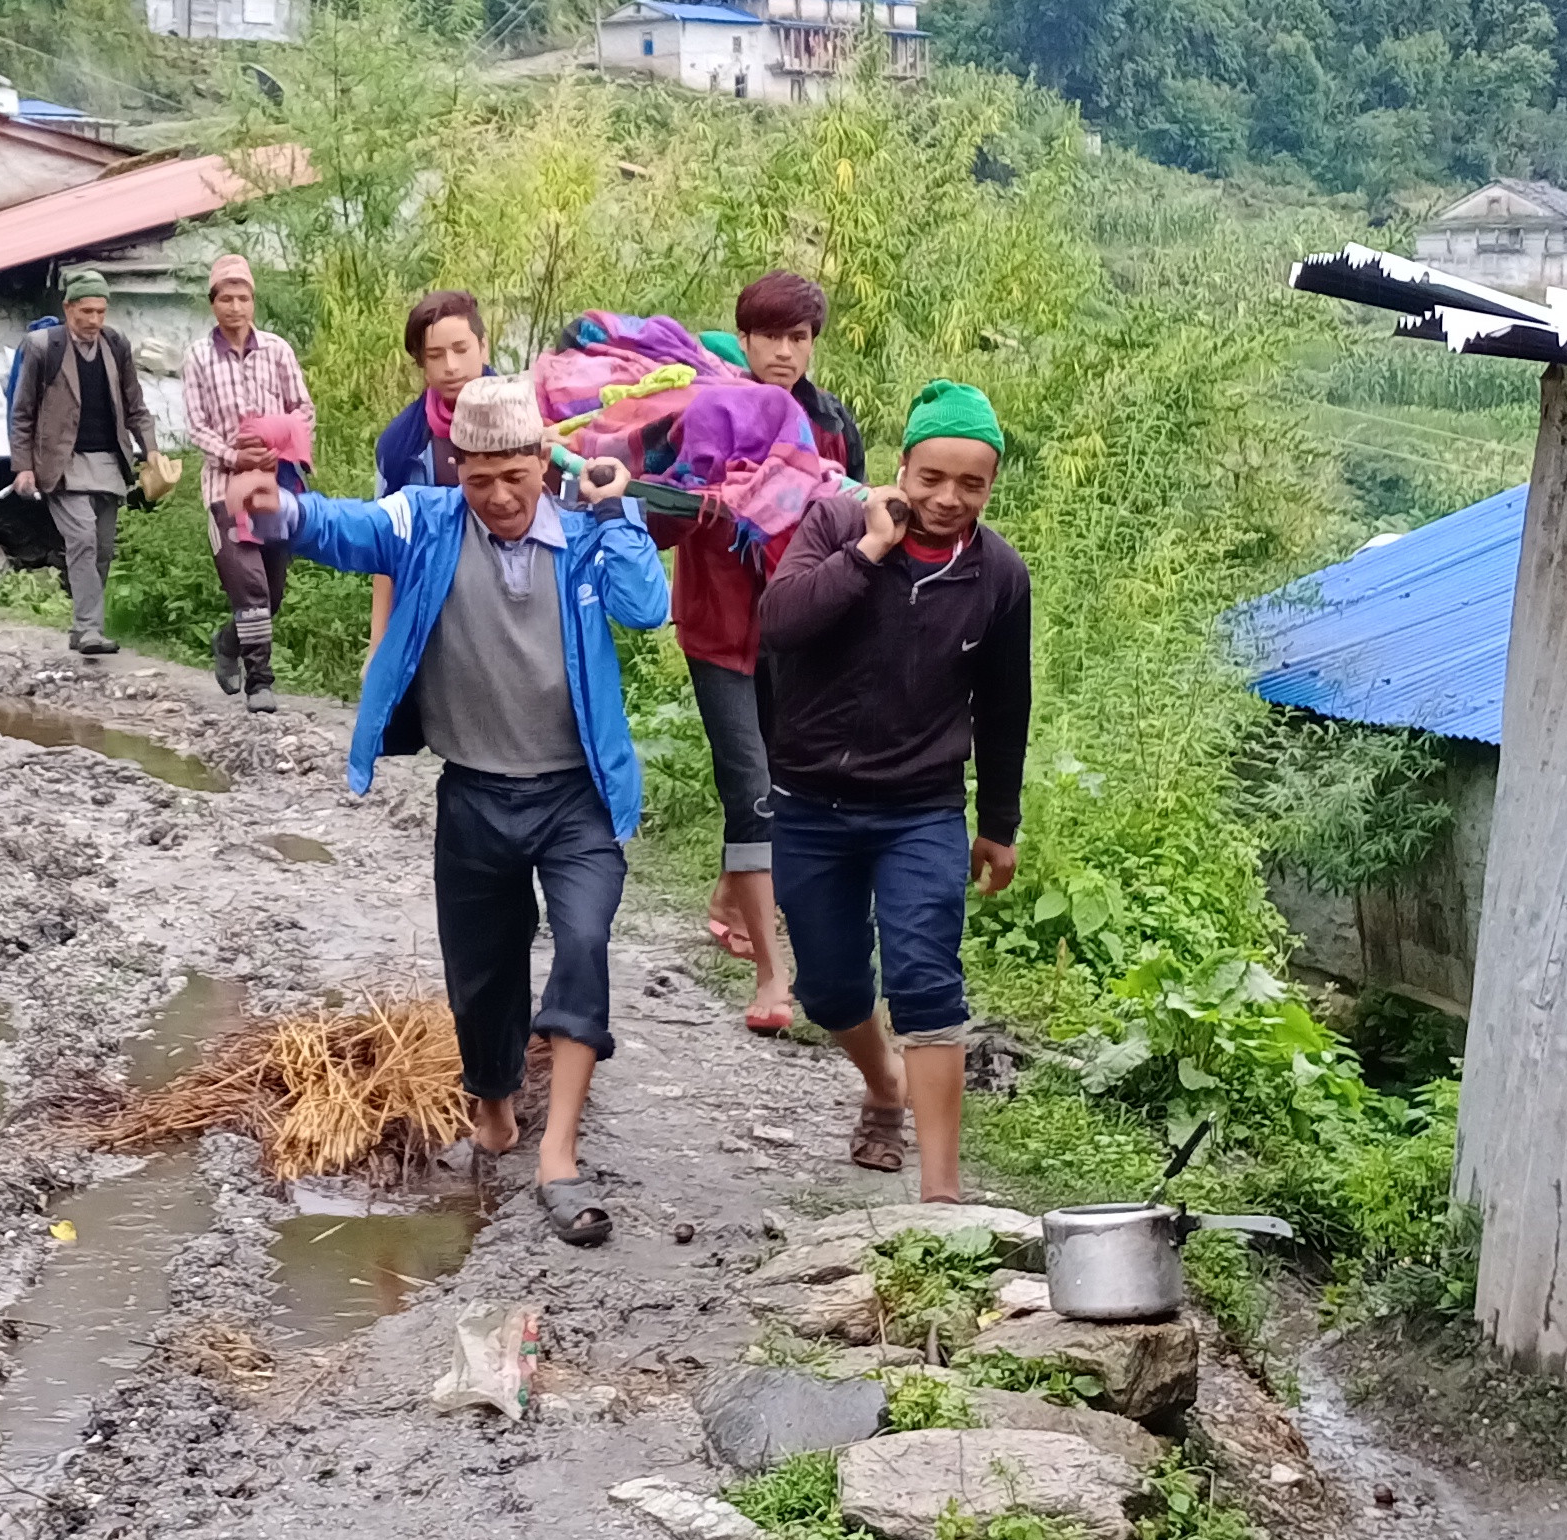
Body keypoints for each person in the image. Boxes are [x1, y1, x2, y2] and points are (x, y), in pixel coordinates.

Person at [251, 376, 672, 1246]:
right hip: (476, 790)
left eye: (515, 476)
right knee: (481, 980)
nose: (499, 497)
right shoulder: (427, 522)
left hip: (578, 795)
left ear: (541, 466)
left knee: (584, 941)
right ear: (459, 469)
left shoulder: (586, 532)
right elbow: (341, 528)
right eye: (480, 479)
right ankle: (493, 1109)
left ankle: (560, 1149)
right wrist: (279, 510)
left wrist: (617, 513)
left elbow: (647, 608)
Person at [756, 380, 1031, 1205]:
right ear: (902, 467)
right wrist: (870, 551)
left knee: (925, 978)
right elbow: (780, 623)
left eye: (970, 484)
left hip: (921, 808)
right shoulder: (837, 525)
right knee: (831, 987)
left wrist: (1000, 822)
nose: (948, 499)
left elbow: (1005, 705)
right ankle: (884, 1085)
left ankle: (941, 1196)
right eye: (931, 478)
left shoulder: (998, 575)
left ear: (989, 487)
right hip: (810, 803)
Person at [660, 272, 871, 1035]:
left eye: (800, 338)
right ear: (742, 339)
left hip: (798, 629)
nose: (785, 352)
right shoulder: (703, 411)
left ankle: (728, 894)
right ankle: (773, 974)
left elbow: (858, 531)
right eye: (771, 337)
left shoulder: (832, 424)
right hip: (718, 628)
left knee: (786, 782)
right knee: (749, 784)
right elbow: (663, 522)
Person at [181, 253, 313, 711]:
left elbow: (303, 408)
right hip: (224, 489)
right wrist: (235, 455)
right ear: (213, 303)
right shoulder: (197, 357)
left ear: (253, 302)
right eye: (226, 298)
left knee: (272, 593)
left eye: (243, 298)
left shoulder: (277, 350)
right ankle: (261, 682)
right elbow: (196, 426)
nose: (235, 307)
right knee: (252, 588)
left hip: (274, 486)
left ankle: (229, 641)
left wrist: (280, 448)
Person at [7, 269, 159, 657]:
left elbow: (135, 404)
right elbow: (22, 413)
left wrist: (152, 450)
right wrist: (23, 466)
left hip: (108, 460)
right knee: (82, 541)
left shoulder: (115, 345)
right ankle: (91, 628)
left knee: (104, 548)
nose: (93, 320)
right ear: (68, 308)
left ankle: (81, 626)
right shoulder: (44, 348)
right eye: (86, 311)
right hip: (62, 463)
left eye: (100, 312)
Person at [364, 290, 494, 648]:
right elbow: (386, 543)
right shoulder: (401, 445)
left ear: (484, 347)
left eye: (461, 349)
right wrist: (379, 643)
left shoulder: (528, 420)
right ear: (421, 363)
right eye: (436, 355)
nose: (450, 366)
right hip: (434, 613)